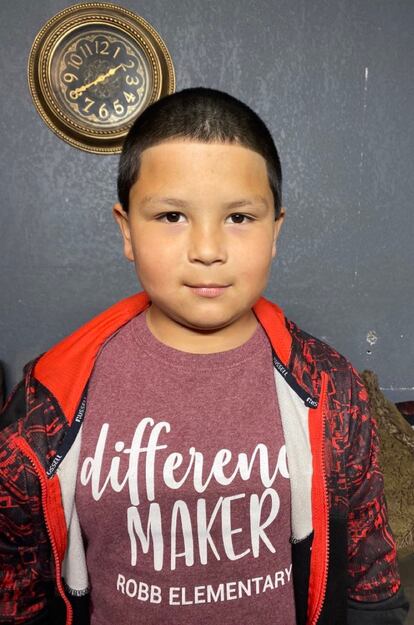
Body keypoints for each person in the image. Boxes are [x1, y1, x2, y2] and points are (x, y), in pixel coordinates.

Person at [0, 87, 409, 625]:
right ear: (127, 231)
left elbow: (370, 580)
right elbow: (17, 594)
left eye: (239, 218)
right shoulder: (47, 402)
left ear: (275, 231)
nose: (208, 248)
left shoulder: (332, 388)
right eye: (171, 216)